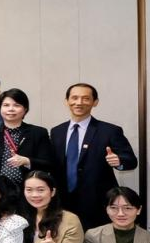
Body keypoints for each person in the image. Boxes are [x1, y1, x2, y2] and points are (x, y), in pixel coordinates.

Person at [49, 82, 138, 230]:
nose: (79, 102)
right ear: (66, 101)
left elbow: (131, 161)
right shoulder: (57, 131)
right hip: (63, 202)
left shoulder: (109, 130)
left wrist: (119, 161)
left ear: (95, 102)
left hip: (97, 202)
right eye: (74, 98)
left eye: (85, 98)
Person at [0, 88, 55, 191]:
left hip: (28, 190)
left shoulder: (38, 133)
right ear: (0, 108)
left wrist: (27, 161)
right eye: (6, 105)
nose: (11, 109)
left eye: (16, 105)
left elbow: (48, 164)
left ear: (25, 109)